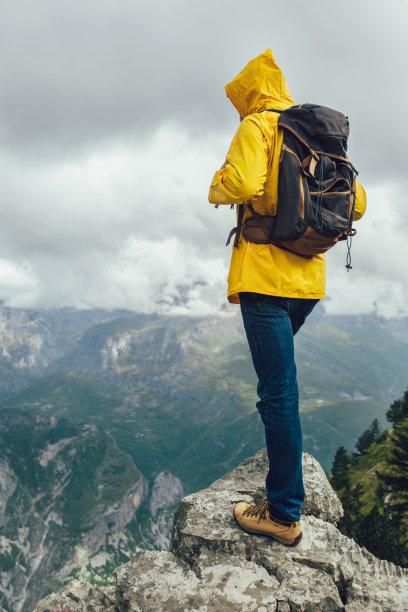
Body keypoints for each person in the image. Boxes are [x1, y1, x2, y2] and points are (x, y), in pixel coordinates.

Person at [208, 49, 366, 546]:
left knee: (278, 393)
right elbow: (357, 202)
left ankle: (282, 513)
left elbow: (241, 181)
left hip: (265, 283)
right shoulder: (312, 134)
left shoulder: (258, 127)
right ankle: (282, 484)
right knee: (277, 387)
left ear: (250, 94)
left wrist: (215, 185)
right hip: (308, 285)